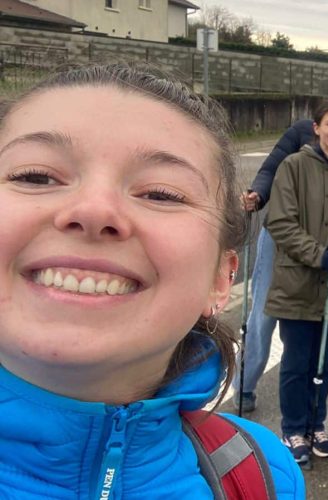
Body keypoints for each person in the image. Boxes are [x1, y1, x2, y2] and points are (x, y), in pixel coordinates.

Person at [0, 63, 302, 496]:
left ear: (222, 276)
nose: (94, 210)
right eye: (36, 176)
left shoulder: (262, 473)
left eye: (161, 193)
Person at [236, 80, 328, 412]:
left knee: (308, 323)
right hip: (285, 240)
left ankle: (302, 393)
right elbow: (273, 166)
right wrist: (258, 193)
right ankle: (245, 383)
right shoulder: (302, 131)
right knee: (265, 312)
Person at [264, 101, 328, 467]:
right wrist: (318, 253)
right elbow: (280, 221)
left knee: (322, 363)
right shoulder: (293, 167)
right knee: (296, 362)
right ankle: (292, 427)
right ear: (317, 128)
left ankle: (315, 423)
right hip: (297, 283)